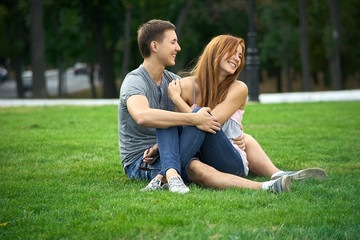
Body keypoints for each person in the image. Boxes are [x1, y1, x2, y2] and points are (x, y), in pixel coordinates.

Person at [118, 20, 326, 194]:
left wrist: (197, 118)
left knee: (193, 120)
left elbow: (206, 122)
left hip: (179, 151)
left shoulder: (173, 81)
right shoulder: (136, 81)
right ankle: (267, 185)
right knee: (185, 133)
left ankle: (166, 175)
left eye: (240, 55)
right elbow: (144, 116)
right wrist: (191, 119)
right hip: (142, 159)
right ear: (155, 46)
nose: (178, 48)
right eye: (173, 42)